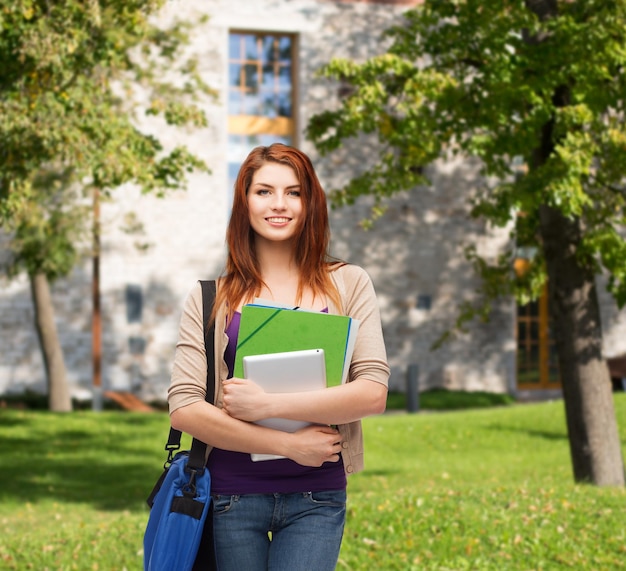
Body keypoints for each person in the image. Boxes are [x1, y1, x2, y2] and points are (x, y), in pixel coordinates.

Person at [168, 143, 389, 571]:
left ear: (310, 204)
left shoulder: (348, 283)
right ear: (244, 202)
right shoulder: (209, 297)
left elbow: (372, 392)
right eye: (264, 191)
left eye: (294, 192)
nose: (279, 205)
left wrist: (269, 406)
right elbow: (185, 409)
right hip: (232, 496)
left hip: (317, 495)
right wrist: (287, 445)